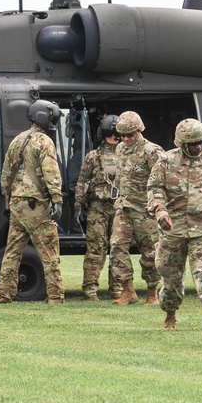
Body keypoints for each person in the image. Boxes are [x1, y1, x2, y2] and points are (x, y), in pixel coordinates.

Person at [147, 119, 202, 331]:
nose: (197, 146)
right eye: (192, 143)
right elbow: (154, 189)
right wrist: (160, 212)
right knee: (170, 274)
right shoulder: (165, 161)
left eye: (200, 142)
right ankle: (170, 316)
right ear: (181, 144)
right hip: (173, 228)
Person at [0, 99, 65, 304]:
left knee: (13, 252)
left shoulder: (17, 140)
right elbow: (51, 172)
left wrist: (7, 201)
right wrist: (57, 199)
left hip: (17, 203)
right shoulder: (44, 142)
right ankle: (56, 296)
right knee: (49, 251)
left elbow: (6, 174)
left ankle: (3, 295)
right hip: (37, 204)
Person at [109, 111, 164, 305]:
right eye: (122, 136)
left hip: (145, 211)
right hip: (124, 208)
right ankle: (128, 290)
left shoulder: (153, 151)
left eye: (129, 135)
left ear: (139, 131)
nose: (125, 139)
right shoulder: (120, 149)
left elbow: (162, 182)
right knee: (117, 247)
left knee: (150, 252)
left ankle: (152, 292)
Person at [73, 114, 120, 301]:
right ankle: (90, 289)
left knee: (117, 250)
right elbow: (81, 181)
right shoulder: (93, 157)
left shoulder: (127, 156)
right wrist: (78, 205)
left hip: (118, 209)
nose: (114, 138)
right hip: (98, 207)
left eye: (117, 134)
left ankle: (117, 289)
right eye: (110, 134)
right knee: (96, 249)